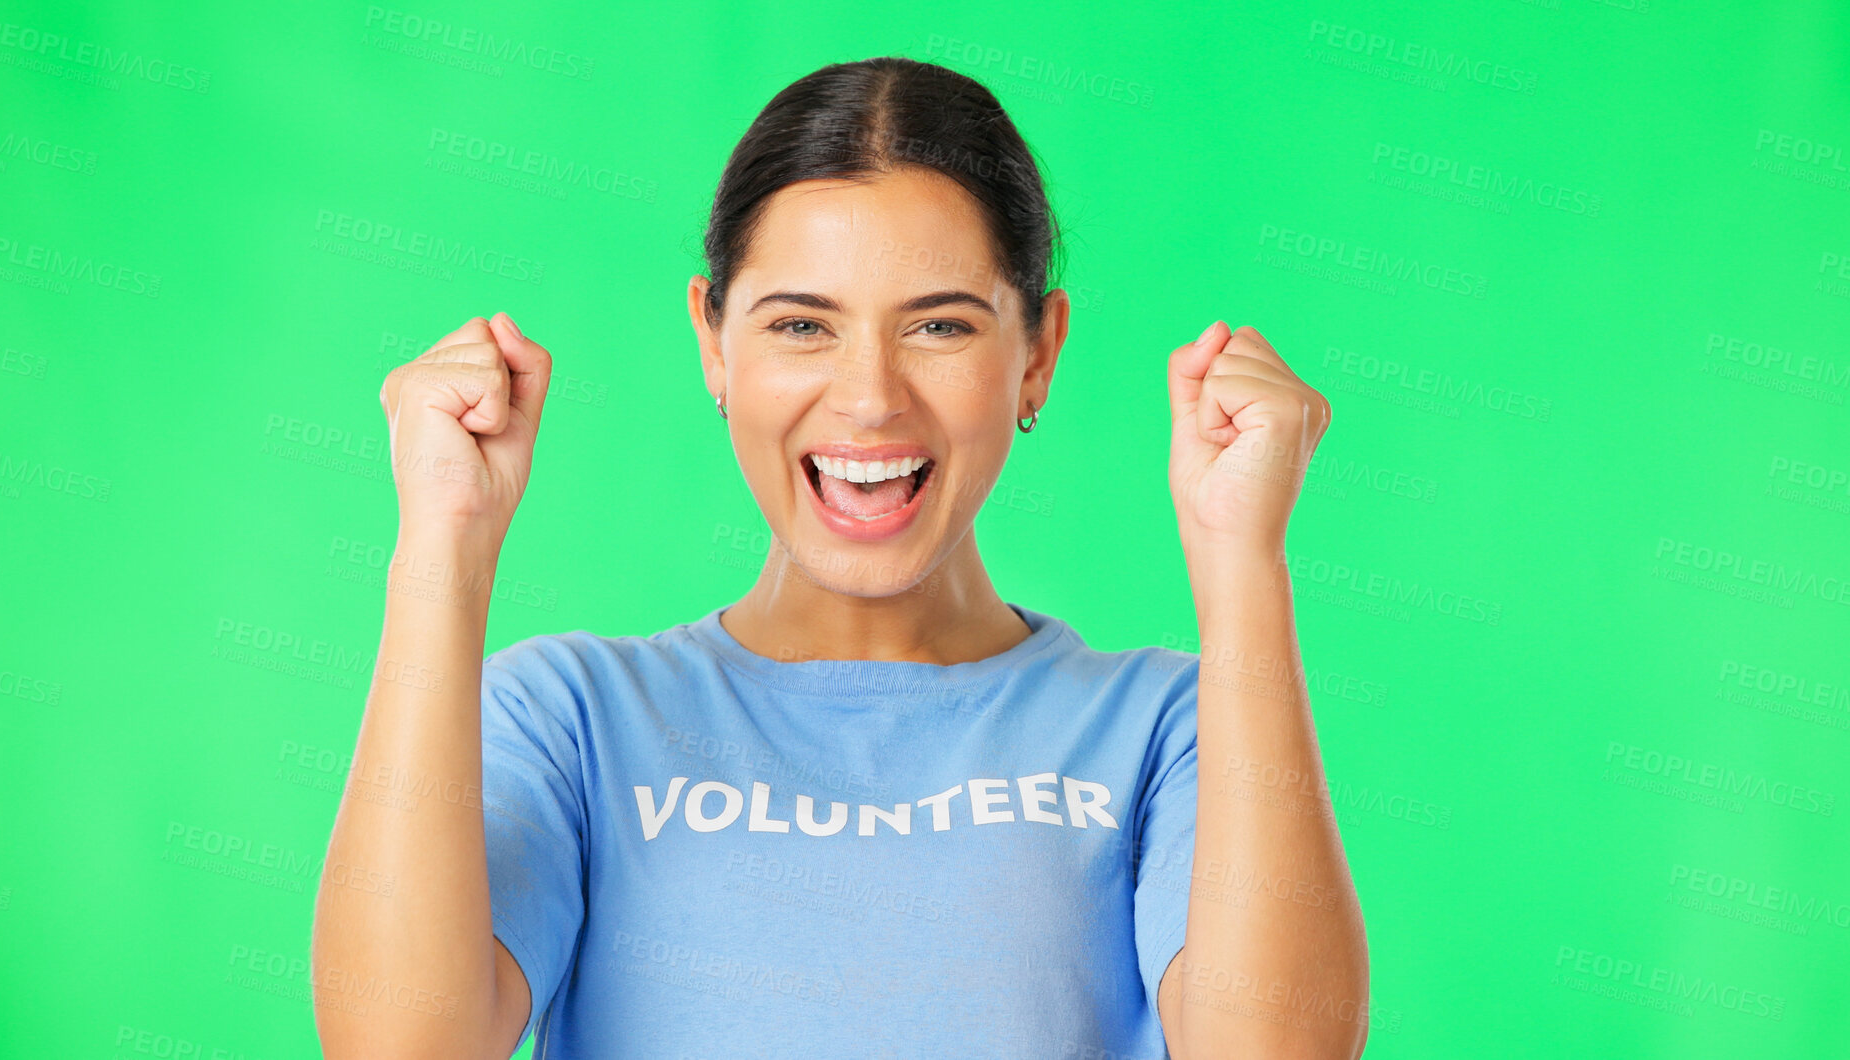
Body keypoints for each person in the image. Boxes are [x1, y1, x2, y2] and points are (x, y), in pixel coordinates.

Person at [313, 56, 1367, 1060]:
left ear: (1038, 352)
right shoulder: (569, 715)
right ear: (714, 340)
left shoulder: (1166, 728)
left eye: (941, 326)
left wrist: (1243, 559)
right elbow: (400, 1042)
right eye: (802, 325)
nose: (869, 398)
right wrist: (441, 546)